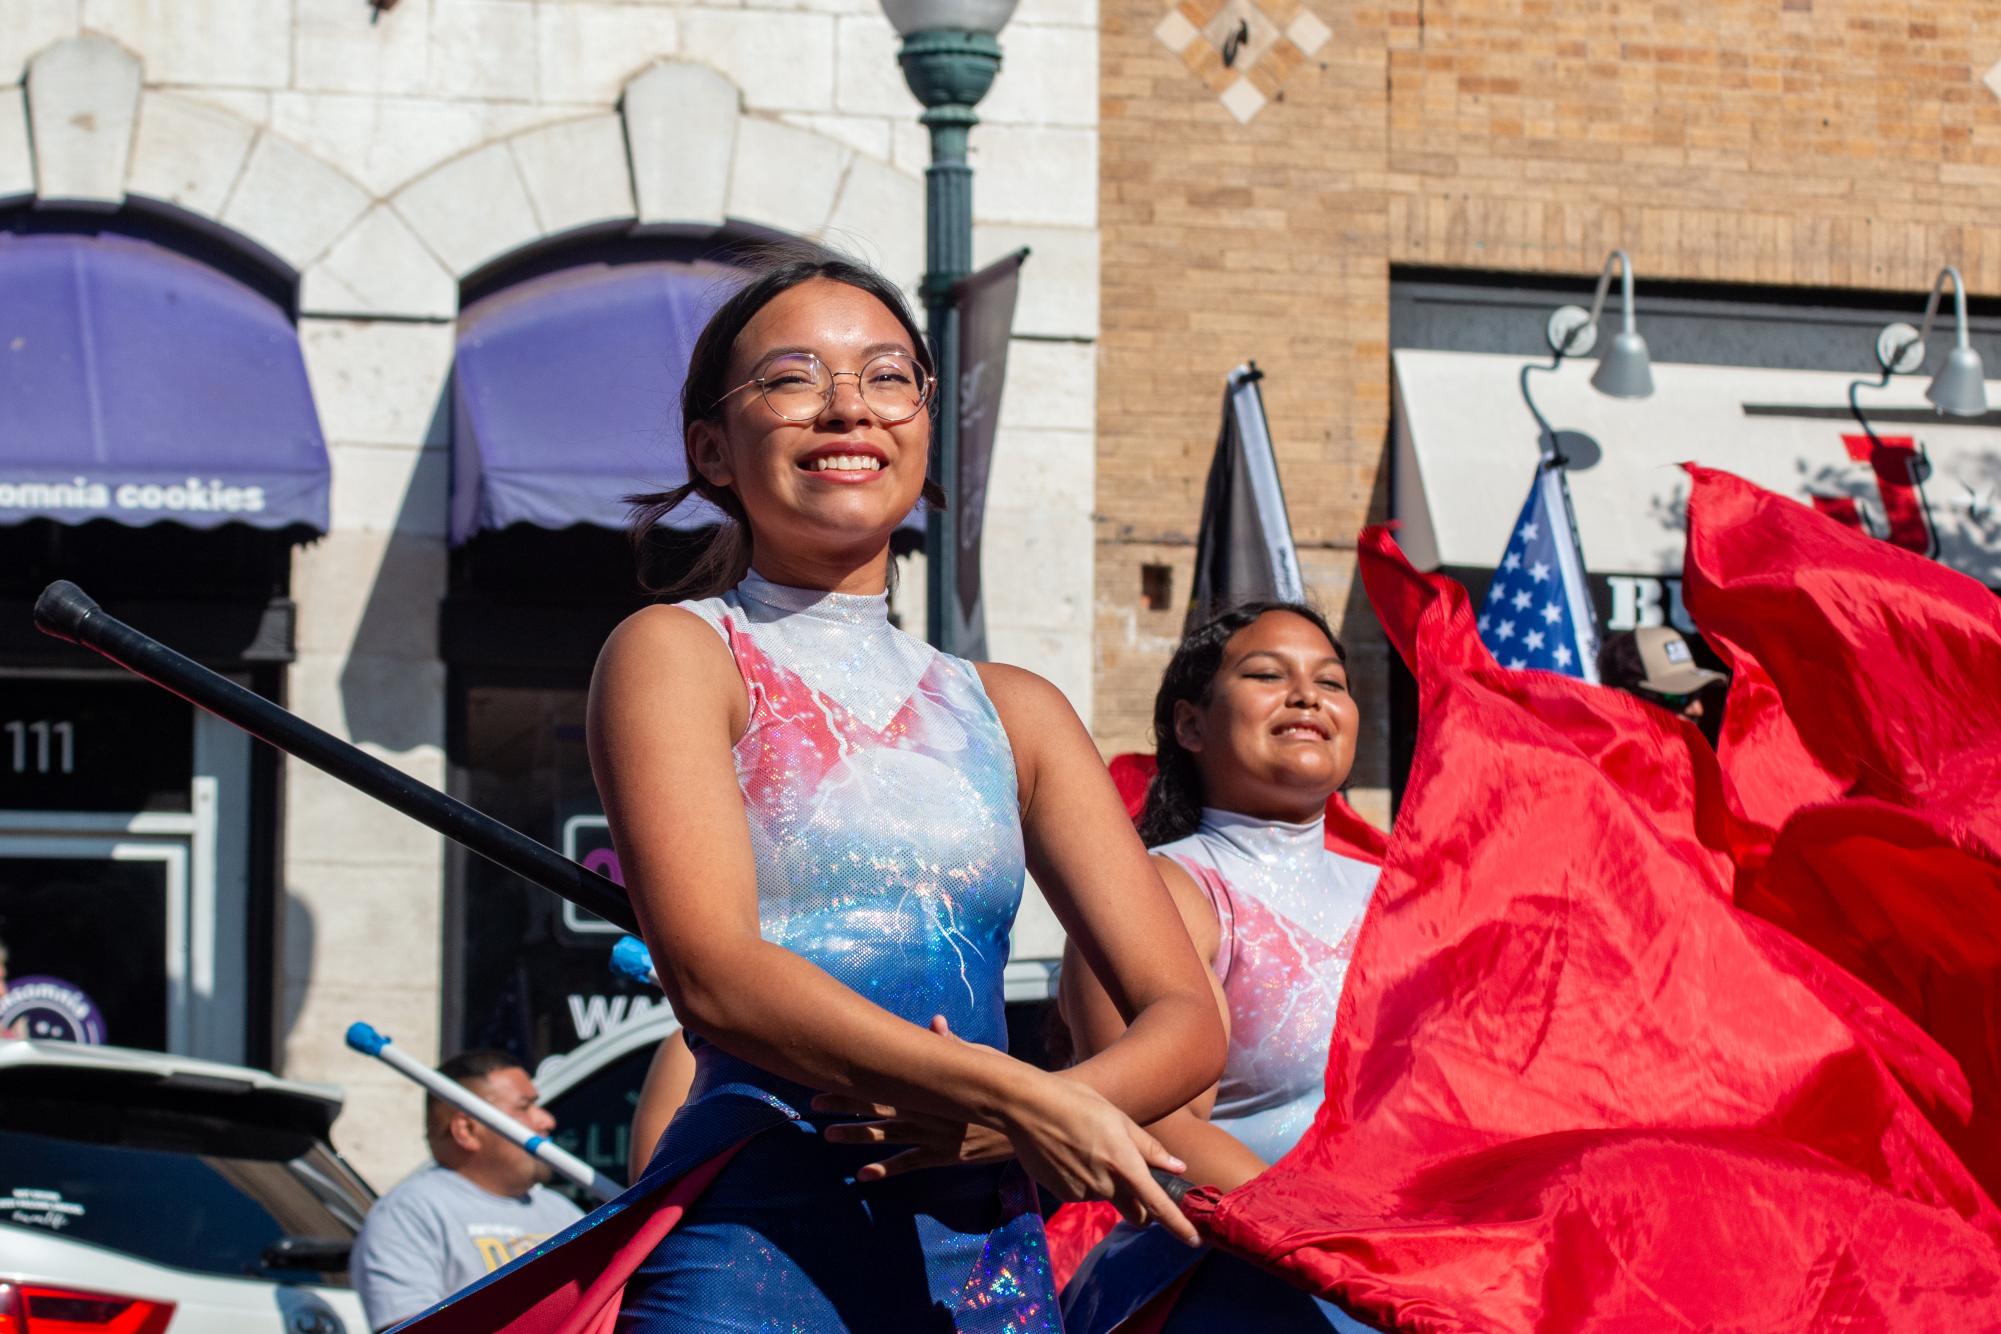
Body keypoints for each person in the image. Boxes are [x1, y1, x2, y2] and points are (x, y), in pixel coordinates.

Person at [405, 247, 1222, 1333]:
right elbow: (718, 974)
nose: (849, 406)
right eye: (792, 378)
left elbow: (1187, 1019)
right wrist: (1015, 1092)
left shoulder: (1015, 709)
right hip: (754, 1244)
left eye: (888, 378)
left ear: (925, 433)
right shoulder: (678, 653)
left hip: (978, 1256)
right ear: (711, 449)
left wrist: (993, 1127)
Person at [1058, 603, 1381, 1334]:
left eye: (1331, 682)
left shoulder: (1397, 892)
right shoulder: (1158, 892)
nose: (1307, 696)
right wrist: (1334, 1246)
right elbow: (1155, 1124)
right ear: (1190, 725)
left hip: (1398, 1276)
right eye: (1267, 674)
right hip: (1220, 1285)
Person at [348, 1051, 584, 1331]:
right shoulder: (409, 1214)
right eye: (525, 1107)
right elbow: (409, 1326)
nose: (546, 1121)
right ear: (467, 1130)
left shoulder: (562, 1212)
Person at [1596, 625, 1728, 741]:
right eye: (1677, 696)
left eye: (1697, 693)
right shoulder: (1592, 766)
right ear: (1622, 701)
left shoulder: (1692, 765)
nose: (1698, 709)